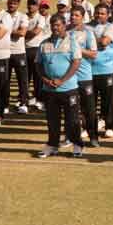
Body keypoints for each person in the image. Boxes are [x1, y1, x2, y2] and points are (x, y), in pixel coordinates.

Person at [36, 14, 84, 158]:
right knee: (52, 120)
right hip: (49, 89)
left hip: (68, 88)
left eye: (57, 25)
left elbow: (76, 63)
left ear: (64, 25)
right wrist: (45, 79)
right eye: (52, 25)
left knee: (72, 120)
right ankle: (52, 145)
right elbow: (38, 64)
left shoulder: (72, 42)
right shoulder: (44, 43)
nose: (55, 28)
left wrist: (62, 80)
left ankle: (77, 145)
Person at [68, 6, 99, 146]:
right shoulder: (65, 32)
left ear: (82, 17)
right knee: (71, 109)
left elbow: (93, 54)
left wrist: (77, 49)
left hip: (84, 77)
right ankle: (71, 137)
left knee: (89, 109)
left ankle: (93, 136)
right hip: (69, 78)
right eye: (72, 15)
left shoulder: (88, 33)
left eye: (76, 15)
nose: (73, 17)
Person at [88, 4, 113, 135]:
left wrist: (90, 39)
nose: (99, 15)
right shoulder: (87, 26)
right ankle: (90, 128)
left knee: (108, 101)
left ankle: (110, 127)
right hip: (89, 70)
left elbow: (105, 42)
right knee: (90, 102)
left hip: (106, 70)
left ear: (107, 15)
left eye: (102, 13)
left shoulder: (111, 27)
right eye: (97, 13)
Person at [24, 0, 50, 111]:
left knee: (37, 76)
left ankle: (39, 99)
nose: (31, 6)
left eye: (34, 4)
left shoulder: (40, 18)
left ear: (37, 6)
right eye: (29, 4)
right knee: (25, 77)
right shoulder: (23, 16)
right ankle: (24, 100)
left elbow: (35, 33)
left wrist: (21, 33)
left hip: (36, 48)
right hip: (23, 49)